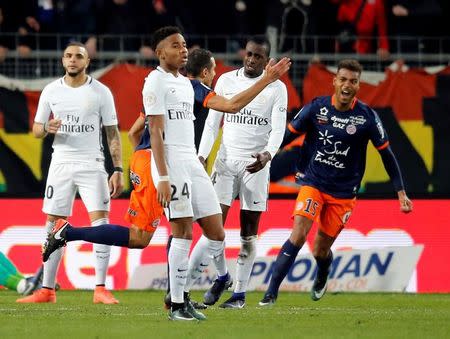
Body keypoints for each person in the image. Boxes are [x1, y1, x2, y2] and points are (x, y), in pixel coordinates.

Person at [41, 27, 291, 320]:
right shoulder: (155, 83)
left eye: (184, 44)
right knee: (159, 235)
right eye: (176, 45)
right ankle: (176, 302)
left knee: (216, 232)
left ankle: (179, 295)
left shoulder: (189, 85)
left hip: (191, 163)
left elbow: (232, 105)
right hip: (168, 162)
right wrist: (160, 176)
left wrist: (268, 80)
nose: (183, 49)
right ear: (161, 53)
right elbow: (156, 132)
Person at [259, 59, 413, 306]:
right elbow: (288, 134)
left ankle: (322, 273)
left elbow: (387, 154)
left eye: (353, 81)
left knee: (320, 250)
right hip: (313, 183)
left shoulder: (367, 118)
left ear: (358, 85)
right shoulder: (317, 108)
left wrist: (401, 192)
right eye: (343, 79)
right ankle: (271, 294)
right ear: (334, 81)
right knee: (298, 234)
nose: (347, 85)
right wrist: (267, 154)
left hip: (343, 193)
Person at [16, 41, 124, 304]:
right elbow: (37, 129)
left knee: (101, 224)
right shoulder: (51, 90)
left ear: (87, 62)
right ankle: (47, 290)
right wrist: (47, 128)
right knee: (53, 225)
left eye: (78, 56)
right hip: (61, 163)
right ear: (63, 61)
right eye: (68, 56)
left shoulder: (101, 92)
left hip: (92, 163)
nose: (72, 60)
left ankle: (100, 288)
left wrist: (118, 168)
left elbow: (112, 133)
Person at [196, 36, 288, 309]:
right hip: (225, 162)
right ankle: (220, 277)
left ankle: (239, 294)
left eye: (257, 56)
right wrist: (202, 156)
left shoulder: (277, 88)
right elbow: (212, 124)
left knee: (249, 232)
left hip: (256, 166)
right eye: (248, 54)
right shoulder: (225, 80)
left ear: (266, 59)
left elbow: (278, 128)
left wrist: (268, 155)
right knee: (213, 227)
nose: (250, 59)